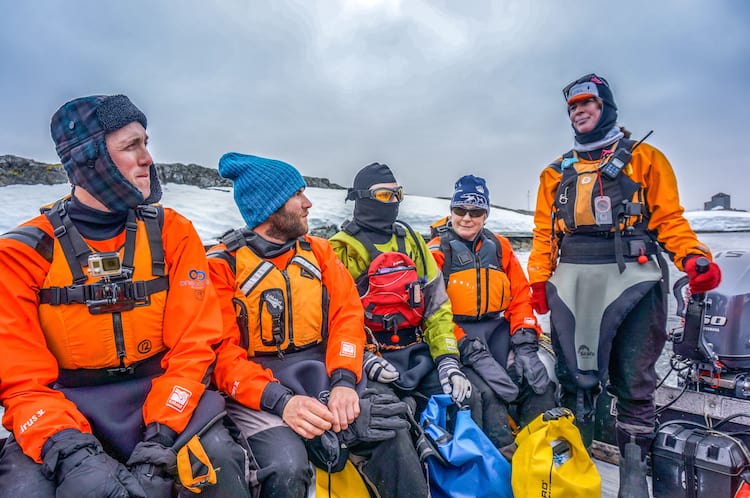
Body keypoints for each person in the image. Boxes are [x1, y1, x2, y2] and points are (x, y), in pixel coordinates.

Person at [0, 95, 250, 497]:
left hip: (162, 394)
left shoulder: (173, 232)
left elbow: (194, 347)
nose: (148, 158)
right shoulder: (23, 251)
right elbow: (21, 382)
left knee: (219, 462)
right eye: (131, 146)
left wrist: (161, 435)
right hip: (68, 406)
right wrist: (72, 454)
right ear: (90, 159)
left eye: (145, 144)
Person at [528, 73, 722, 498]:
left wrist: (692, 257)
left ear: (606, 108)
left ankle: (632, 476)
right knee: (575, 378)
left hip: (633, 277)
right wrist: (538, 281)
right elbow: (545, 235)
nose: (579, 111)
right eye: (573, 107)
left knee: (635, 380)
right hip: (573, 281)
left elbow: (670, 220)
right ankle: (576, 467)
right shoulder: (554, 173)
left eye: (587, 104)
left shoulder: (646, 159)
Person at [206, 152, 427, 498]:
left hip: (322, 369)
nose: (308, 203)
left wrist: (343, 381)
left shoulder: (321, 253)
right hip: (257, 385)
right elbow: (223, 355)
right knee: (285, 465)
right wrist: (282, 403)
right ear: (271, 206)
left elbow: (347, 320)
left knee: (391, 431)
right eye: (297, 195)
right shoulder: (223, 265)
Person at [329, 162, 511, 450]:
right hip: (372, 360)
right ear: (362, 197)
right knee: (393, 423)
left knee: (469, 396)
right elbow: (335, 320)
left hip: (415, 351)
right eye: (384, 196)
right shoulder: (340, 249)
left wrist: (447, 360)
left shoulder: (410, 240)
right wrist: (362, 358)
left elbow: (437, 308)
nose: (394, 202)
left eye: (397, 194)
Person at [427, 175, 557, 432]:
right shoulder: (436, 252)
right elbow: (431, 313)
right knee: (488, 394)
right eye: (460, 210)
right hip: (458, 334)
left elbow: (520, 297)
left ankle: (539, 448)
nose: (467, 217)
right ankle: (501, 455)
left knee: (538, 382)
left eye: (475, 211)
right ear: (451, 211)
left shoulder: (500, 247)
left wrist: (525, 344)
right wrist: (465, 347)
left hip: (496, 330)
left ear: (485, 214)